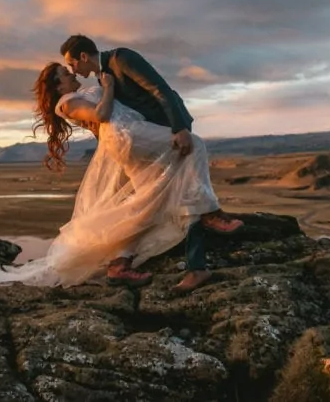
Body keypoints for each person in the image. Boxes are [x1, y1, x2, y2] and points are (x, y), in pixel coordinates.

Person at [0, 58, 241, 293]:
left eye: (68, 69)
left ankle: (121, 263)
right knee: (193, 149)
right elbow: (102, 115)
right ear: (57, 85)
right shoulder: (66, 102)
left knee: (148, 202)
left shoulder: (75, 95)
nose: (70, 73)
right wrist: (110, 86)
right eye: (64, 73)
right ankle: (209, 214)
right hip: (127, 139)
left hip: (125, 141)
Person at [61, 34, 242, 292]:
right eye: (67, 70)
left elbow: (159, 88)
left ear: (82, 56)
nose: (73, 70)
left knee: (165, 197)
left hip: (165, 130)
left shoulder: (121, 58)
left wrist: (179, 127)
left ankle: (132, 264)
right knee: (181, 178)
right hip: (141, 142)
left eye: (71, 64)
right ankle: (209, 220)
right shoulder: (101, 79)